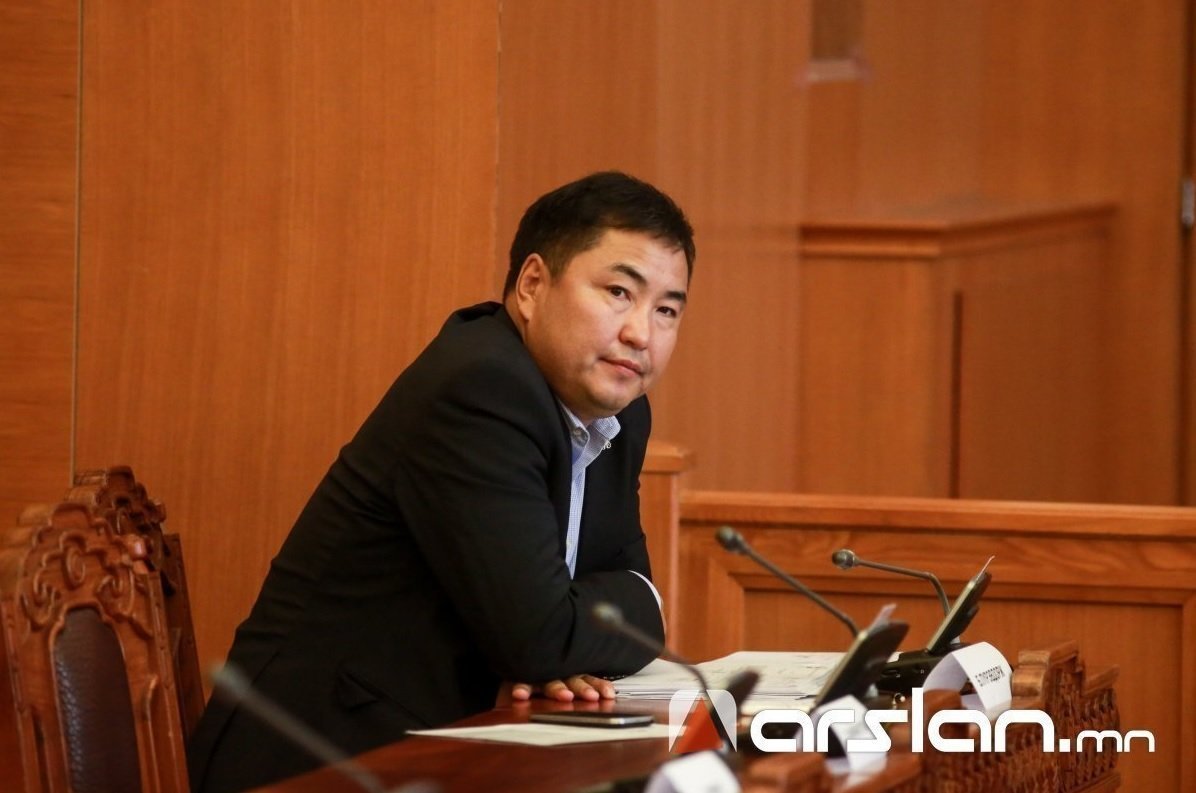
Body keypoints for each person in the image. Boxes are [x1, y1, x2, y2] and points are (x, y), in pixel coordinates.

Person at [186, 171, 696, 792]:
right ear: (532, 285)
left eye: (666, 310)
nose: (641, 333)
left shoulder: (617, 413)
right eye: (618, 292)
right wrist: (558, 638)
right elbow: (548, 634)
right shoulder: (482, 387)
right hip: (316, 757)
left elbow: (611, 616)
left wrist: (565, 637)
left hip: (450, 743)